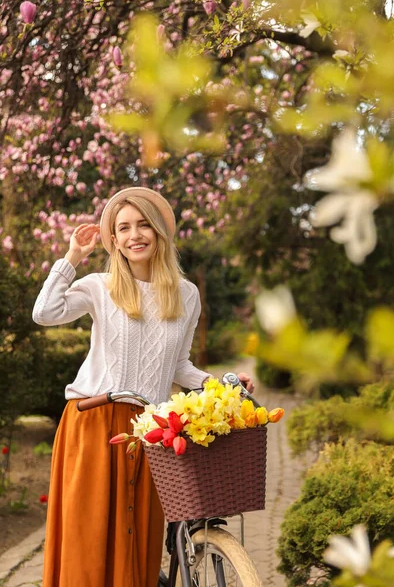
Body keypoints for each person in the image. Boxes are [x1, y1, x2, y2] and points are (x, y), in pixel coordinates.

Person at [32, 186, 254, 587]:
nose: (135, 235)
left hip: (151, 429)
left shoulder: (186, 295)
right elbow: (44, 313)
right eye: (124, 228)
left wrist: (222, 385)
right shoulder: (100, 286)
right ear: (113, 239)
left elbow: (179, 366)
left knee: (139, 537)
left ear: (159, 232)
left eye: (143, 225)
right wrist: (72, 258)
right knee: (90, 537)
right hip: (93, 418)